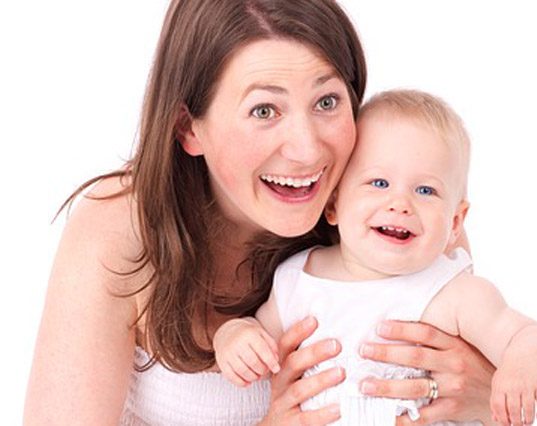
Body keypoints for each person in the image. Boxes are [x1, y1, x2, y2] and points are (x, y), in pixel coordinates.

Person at [23, 1, 498, 425]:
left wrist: (485, 396)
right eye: (264, 111)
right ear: (188, 128)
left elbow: (484, 385)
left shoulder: (398, 214)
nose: (307, 150)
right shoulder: (121, 227)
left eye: (326, 101)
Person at [214, 90, 537, 426]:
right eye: (379, 183)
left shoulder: (452, 291)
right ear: (334, 204)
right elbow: (261, 335)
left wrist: (523, 365)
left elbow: (527, 336)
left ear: (455, 222)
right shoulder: (298, 277)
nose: (400, 204)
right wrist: (235, 335)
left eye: (425, 190)